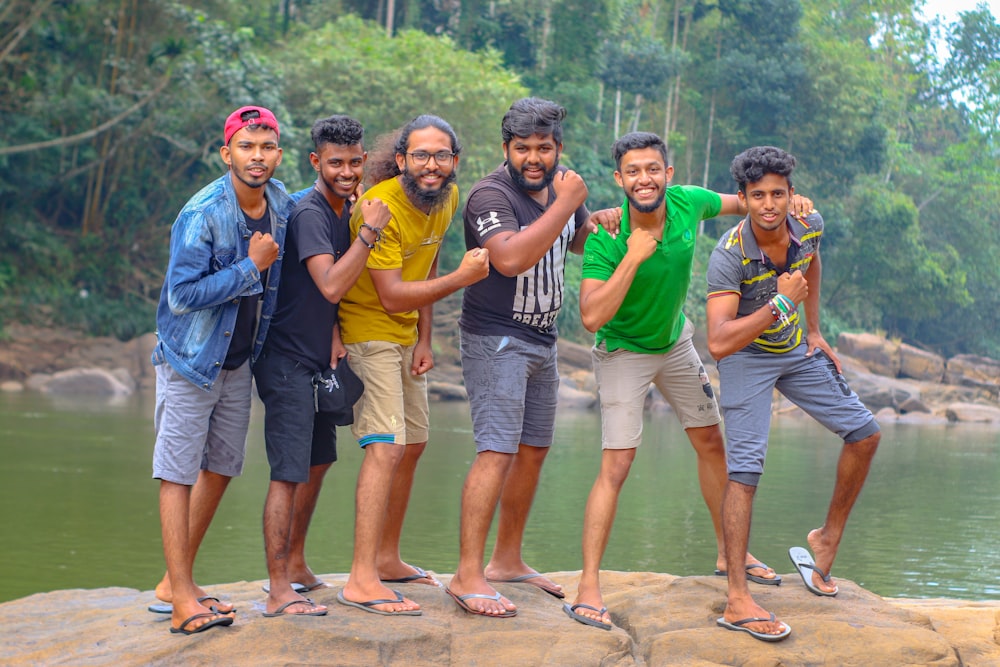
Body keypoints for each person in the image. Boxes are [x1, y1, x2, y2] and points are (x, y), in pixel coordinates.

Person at [565, 131, 793, 631]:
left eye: (652, 169)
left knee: (712, 442)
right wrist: (633, 254)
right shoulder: (606, 235)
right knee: (618, 465)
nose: (643, 179)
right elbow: (590, 316)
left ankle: (727, 554)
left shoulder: (689, 202)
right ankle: (587, 587)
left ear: (668, 174)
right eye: (632, 171)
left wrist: (789, 201)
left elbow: (746, 202)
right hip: (623, 350)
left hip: (674, 343)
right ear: (619, 179)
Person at [706, 145, 880, 642]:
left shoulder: (809, 224)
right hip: (744, 357)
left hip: (793, 350)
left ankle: (826, 540)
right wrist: (782, 303)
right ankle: (738, 596)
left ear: (791, 195)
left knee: (865, 434)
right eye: (757, 195)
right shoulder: (729, 255)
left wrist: (814, 328)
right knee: (744, 471)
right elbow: (719, 341)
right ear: (742, 197)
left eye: (777, 194)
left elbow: (812, 262)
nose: (768, 205)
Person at [335, 115, 491, 616]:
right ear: (401, 159)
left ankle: (386, 557)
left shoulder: (446, 196)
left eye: (440, 156)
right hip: (367, 329)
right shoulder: (379, 208)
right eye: (420, 155)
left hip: (405, 336)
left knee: (415, 442)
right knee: (385, 447)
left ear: (454, 161)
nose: (431, 165)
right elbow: (393, 295)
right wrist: (464, 278)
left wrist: (426, 338)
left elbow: (426, 261)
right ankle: (360, 579)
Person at [446, 98, 592, 617]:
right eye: (523, 148)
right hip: (496, 339)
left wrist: (596, 218)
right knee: (497, 451)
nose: (535, 158)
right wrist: (567, 201)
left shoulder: (563, 190)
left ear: (559, 149)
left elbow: (575, 239)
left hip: (543, 339)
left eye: (544, 148)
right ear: (505, 148)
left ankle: (507, 560)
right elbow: (508, 257)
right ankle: (467, 574)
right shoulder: (491, 194)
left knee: (532, 450)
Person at [150, 106, 289, 634]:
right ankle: (182, 596)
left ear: (278, 153)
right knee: (177, 471)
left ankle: (172, 582)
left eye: (267, 147)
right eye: (247, 147)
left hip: (239, 362)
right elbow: (181, 296)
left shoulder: (279, 205)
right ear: (226, 152)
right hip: (191, 361)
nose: (257, 158)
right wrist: (249, 267)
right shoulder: (203, 212)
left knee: (223, 466)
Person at [253, 115, 392, 617]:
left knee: (318, 462)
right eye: (336, 162)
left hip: (316, 356)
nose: (348, 171)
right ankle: (276, 589)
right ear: (316, 162)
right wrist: (370, 232)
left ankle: (294, 564)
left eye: (355, 162)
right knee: (288, 474)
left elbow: (326, 297)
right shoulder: (310, 212)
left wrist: (332, 329)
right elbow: (332, 283)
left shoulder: (345, 209)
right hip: (285, 358)